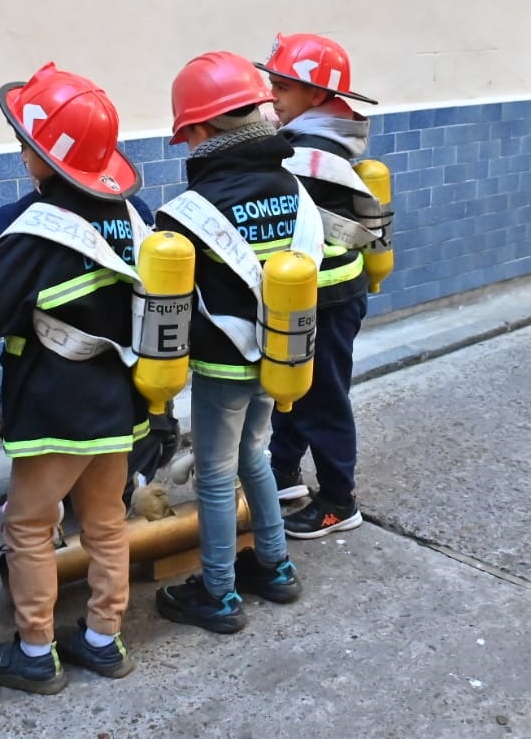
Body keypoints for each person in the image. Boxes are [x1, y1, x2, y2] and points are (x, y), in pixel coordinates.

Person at [0, 63, 148, 693]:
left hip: (53, 408)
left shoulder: (42, 228)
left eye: (26, 143)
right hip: (119, 403)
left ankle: (37, 651)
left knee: (29, 528)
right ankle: (103, 639)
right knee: (106, 523)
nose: (21, 153)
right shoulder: (133, 213)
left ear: (46, 157)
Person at [153, 52, 306, 634]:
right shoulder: (292, 186)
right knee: (255, 458)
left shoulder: (190, 210)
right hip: (281, 353)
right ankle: (275, 565)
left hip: (223, 363)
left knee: (217, 475)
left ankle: (218, 592)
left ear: (200, 128)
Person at [254, 33, 379, 537]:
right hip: (312, 292)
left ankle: (338, 501)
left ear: (318, 94)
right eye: (272, 85)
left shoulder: (311, 151)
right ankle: (283, 472)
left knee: (322, 397)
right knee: (291, 388)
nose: (272, 96)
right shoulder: (315, 137)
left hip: (329, 294)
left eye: (282, 87)